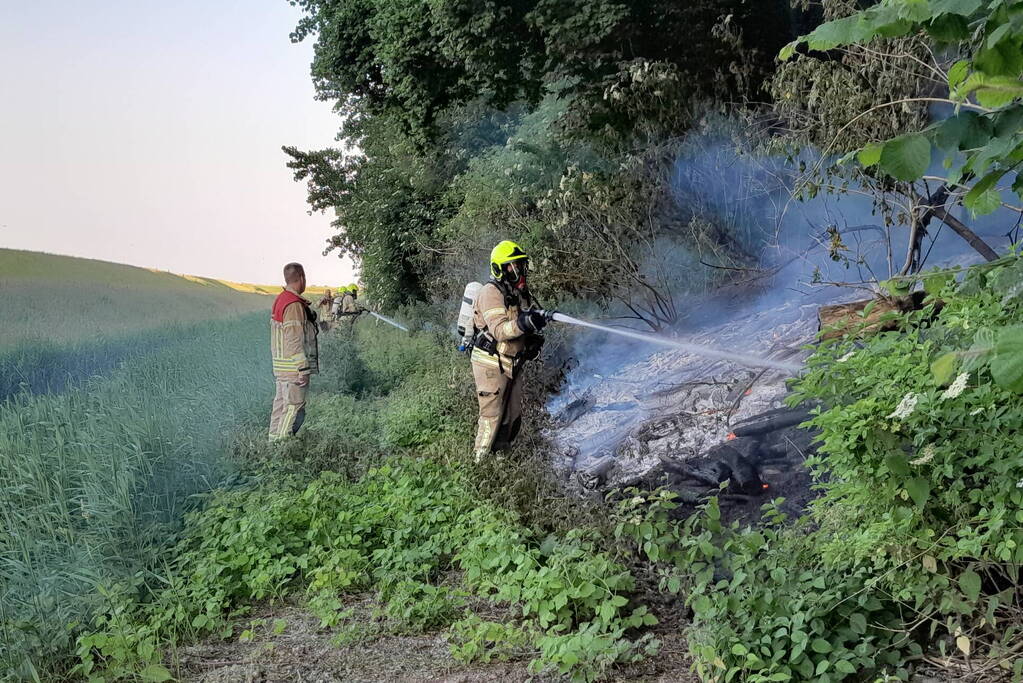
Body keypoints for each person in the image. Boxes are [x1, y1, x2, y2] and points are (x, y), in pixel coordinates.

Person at [469, 240, 549, 462]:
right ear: (499, 269)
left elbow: (522, 321)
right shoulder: (490, 293)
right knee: (491, 416)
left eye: (520, 265)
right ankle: (479, 463)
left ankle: (501, 459)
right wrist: (525, 324)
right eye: (512, 267)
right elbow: (500, 330)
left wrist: (532, 336)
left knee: (512, 416)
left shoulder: (519, 293)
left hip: (512, 362)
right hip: (490, 363)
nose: (518, 271)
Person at [268, 262, 319, 441]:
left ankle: (273, 442)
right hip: (293, 370)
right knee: (293, 408)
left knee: (281, 406)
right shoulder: (294, 304)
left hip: (282, 368)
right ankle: (282, 447)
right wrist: (302, 368)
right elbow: (294, 339)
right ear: (302, 278)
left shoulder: (280, 300)